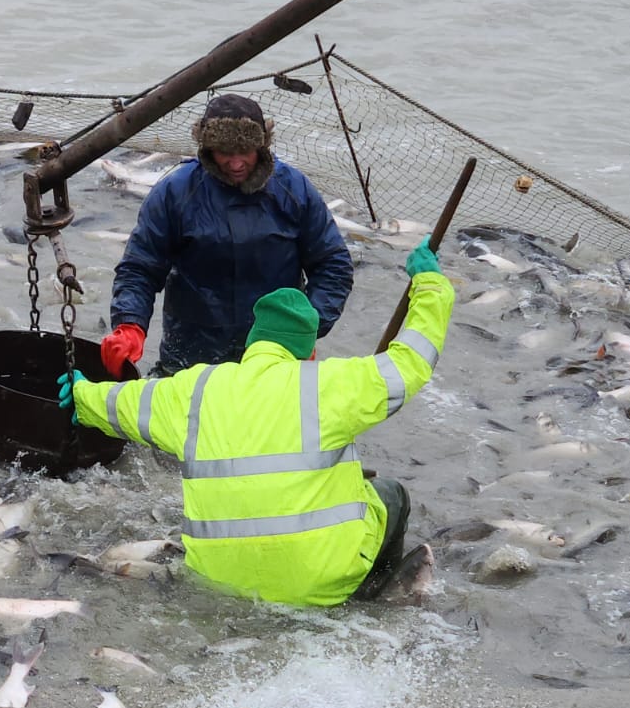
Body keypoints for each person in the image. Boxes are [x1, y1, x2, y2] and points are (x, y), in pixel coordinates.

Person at [63, 236, 453, 606]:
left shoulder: (196, 389)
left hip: (217, 581)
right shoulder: (332, 383)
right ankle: (370, 596)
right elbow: (412, 358)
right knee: (391, 495)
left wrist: (81, 393)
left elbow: (119, 404)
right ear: (310, 350)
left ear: (253, 341)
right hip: (319, 581)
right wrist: (430, 284)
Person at [101, 92, 354, 378]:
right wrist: (130, 325)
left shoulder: (295, 190)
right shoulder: (174, 193)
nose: (236, 164)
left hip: (276, 353)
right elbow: (140, 269)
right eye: (224, 152)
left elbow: (333, 265)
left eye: (245, 151)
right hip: (190, 357)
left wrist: (308, 325)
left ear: (262, 146)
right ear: (207, 149)